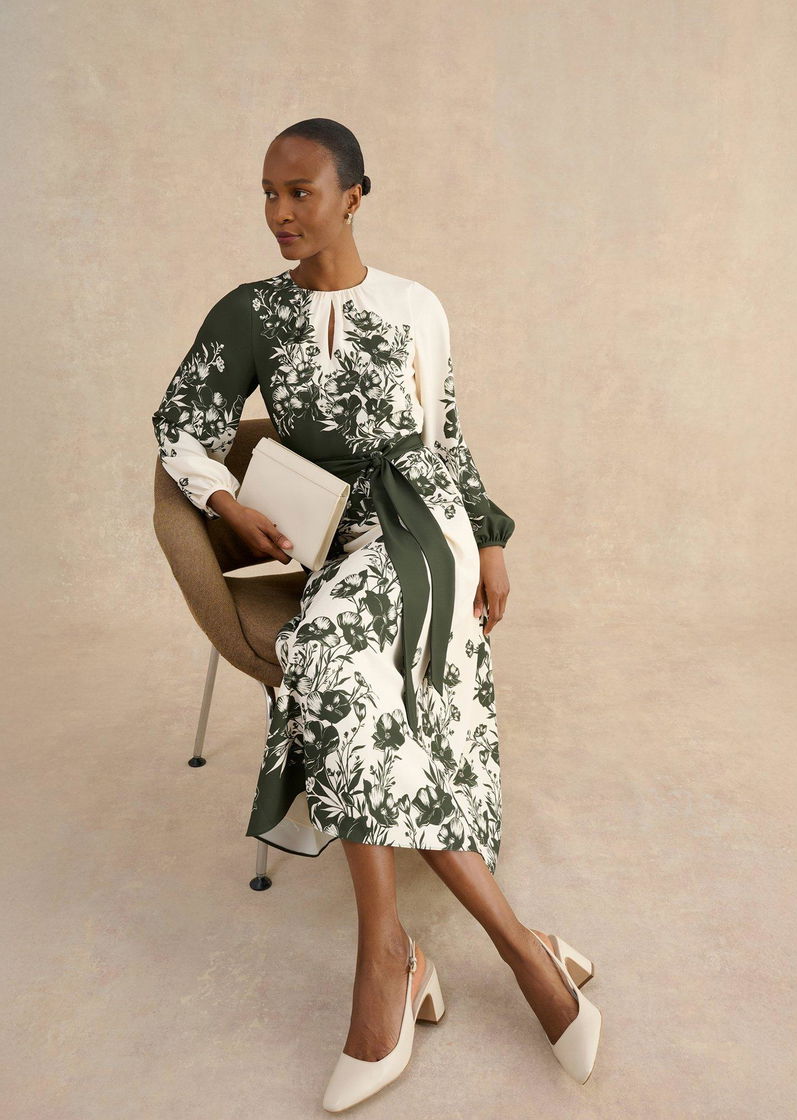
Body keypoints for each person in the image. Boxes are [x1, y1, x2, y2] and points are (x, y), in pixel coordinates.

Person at [152, 117, 601, 1109]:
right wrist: (224, 500)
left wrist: (488, 537)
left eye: (300, 192)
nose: (278, 212)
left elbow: (446, 435)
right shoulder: (248, 312)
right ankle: (513, 946)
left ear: (353, 196)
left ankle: (387, 963)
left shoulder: (414, 306)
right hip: (335, 538)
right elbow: (179, 426)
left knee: (323, 654)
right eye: (267, 193)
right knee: (332, 657)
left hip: (424, 524)